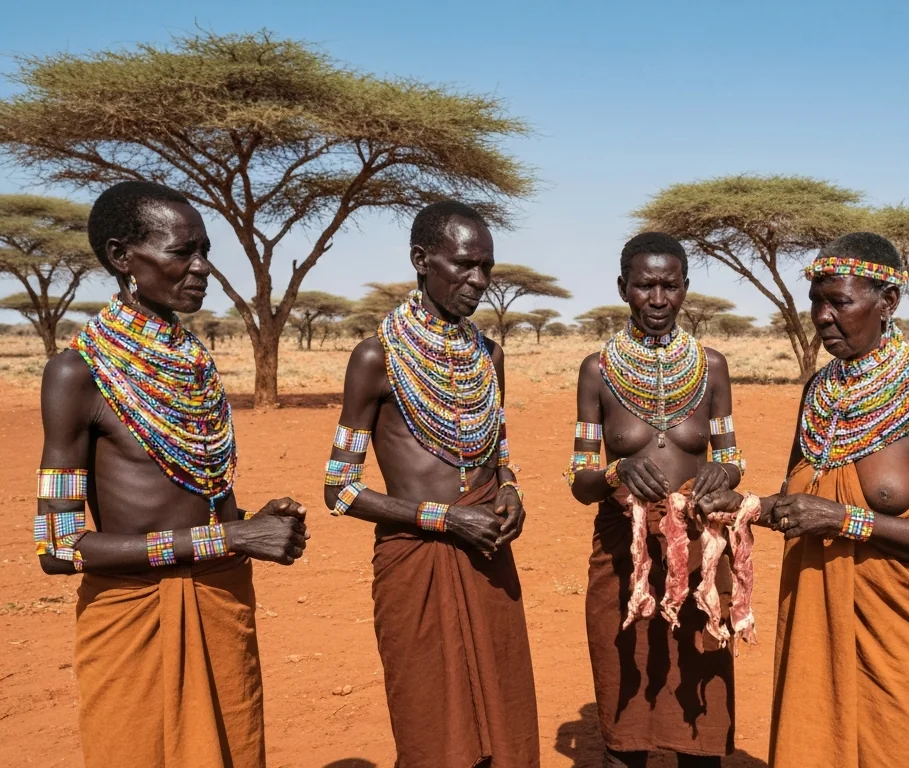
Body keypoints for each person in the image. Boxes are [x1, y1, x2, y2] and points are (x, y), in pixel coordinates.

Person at [35, 180, 309, 767]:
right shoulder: (76, 373)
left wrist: (251, 525)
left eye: (204, 250)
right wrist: (227, 537)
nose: (201, 267)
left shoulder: (194, 364)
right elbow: (56, 547)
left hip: (218, 601)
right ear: (121, 256)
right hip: (133, 617)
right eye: (182, 252)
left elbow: (211, 498)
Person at [700, 232, 909, 767]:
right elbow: (795, 503)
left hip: (905, 640)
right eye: (816, 301)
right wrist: (741, 505)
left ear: (887, 302)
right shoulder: (818, 392)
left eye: (840, 302)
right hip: (816, 623)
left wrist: (844, 519)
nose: (823, 316)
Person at [323, 201, 538, 767]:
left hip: (488, 555)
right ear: (421, 259)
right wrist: (446, 518)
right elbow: (340, 489)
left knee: (504, 712)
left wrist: (510, 488)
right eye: (464, 265)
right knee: (428, 723)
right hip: (415, 559)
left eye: (486, 267)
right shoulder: (376, 357)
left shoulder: (489, 355)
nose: (478, 281)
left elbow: (498, 450)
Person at [566, 232, 745, 767]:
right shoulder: (596, 372)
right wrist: (616, 470)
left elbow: (732, 458)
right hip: (624, 555)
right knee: (626, 706)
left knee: (701, 709)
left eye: (671, 285)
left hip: (699, 554)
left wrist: (722, 471)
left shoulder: (711, 367)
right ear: (623, 288)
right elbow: (580, 479)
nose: (659, 299)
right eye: (646, 286)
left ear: (686, 289)